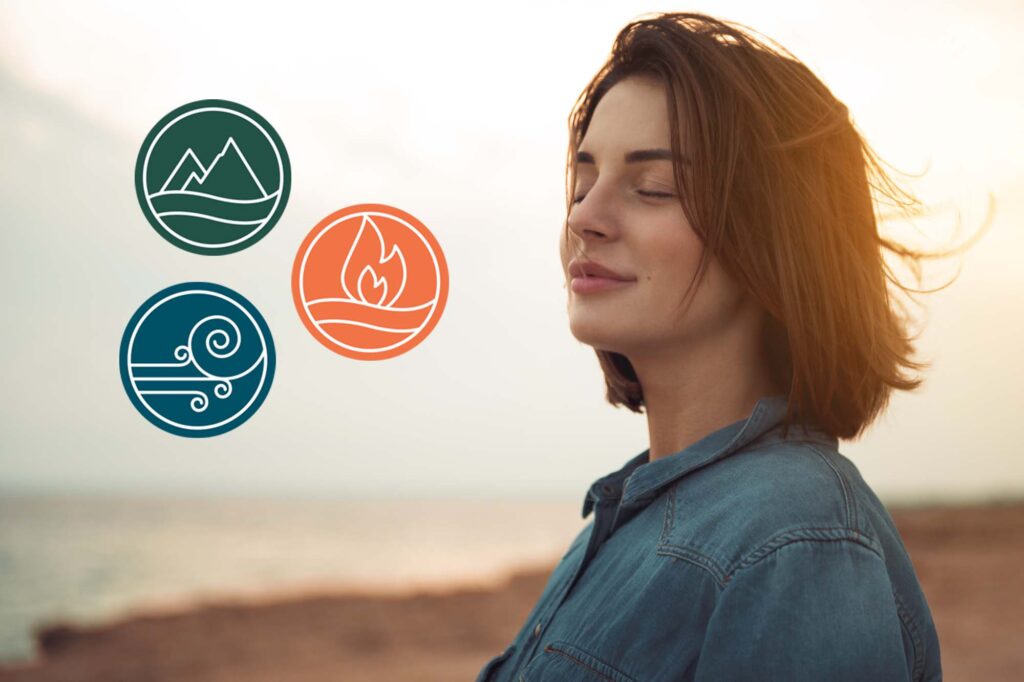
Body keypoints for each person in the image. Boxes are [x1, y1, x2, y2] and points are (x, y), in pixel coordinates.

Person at [475, 10, 986, 682]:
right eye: (582, 182)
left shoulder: (794, 540)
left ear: (772, 238)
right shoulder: (622, 523)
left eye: (652, 189)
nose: (583, 217)